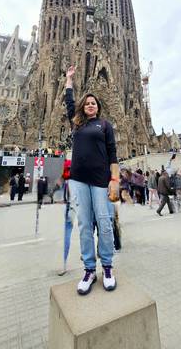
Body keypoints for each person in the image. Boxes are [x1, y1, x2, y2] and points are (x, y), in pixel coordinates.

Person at [65, 65, 119, 295]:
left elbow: (113, 153)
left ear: (98, 107)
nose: (90, 105)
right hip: (78, 180)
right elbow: (68, 102)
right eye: (86, 102)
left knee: (105, 224)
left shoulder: (104, 125)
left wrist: (114, 179)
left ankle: (106, 267)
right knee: (85, 226)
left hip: (100, 180)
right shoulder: (77, 123)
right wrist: (69, 80)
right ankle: (89, 269)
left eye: (93, 103)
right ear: (82, 107)